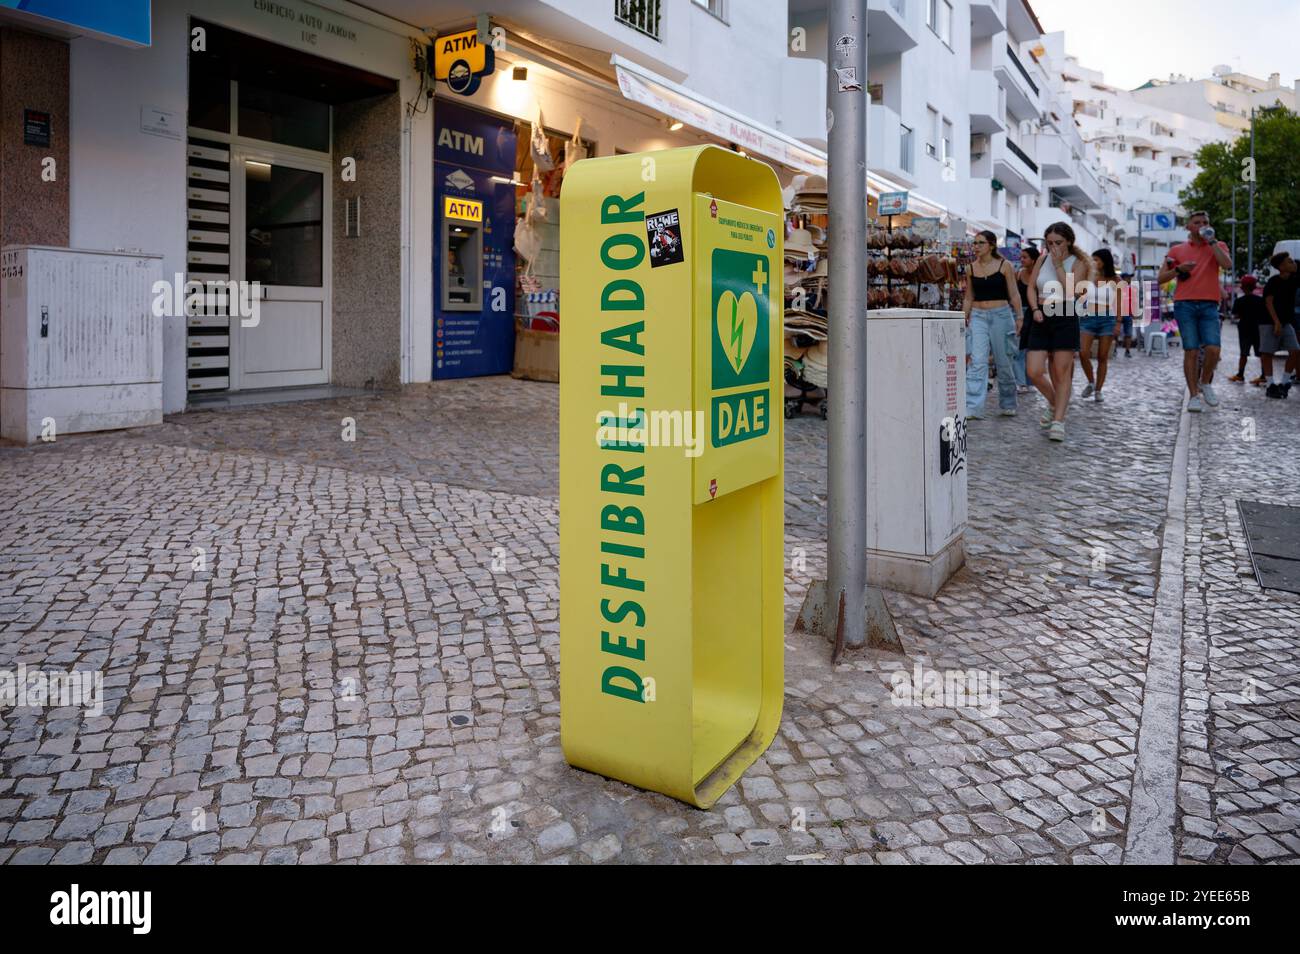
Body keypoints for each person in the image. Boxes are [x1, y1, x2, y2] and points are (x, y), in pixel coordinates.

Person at [1157, 211, 1232, 412]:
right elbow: (1161, 278)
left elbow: (1227, 265)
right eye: (1197, 222)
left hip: (1209, 305)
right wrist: (1179, 270)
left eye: (1205, 222)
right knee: (1190, 350)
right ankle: (1193, 396)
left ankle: (1205, 382)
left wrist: (1213, 242)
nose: (1201, 225)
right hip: (1185, 304)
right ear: (1189, 227)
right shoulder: (1177, 250)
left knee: (1213, 349)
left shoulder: (1218, 245)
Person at [1026, 222, 1091, 442]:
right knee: (1034, 370)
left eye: (1058, 242)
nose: (1053, 246)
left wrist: (1059, 265)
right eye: (1049, 242)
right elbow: (1031, 286)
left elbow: (1072, 290)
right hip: (1041, 315)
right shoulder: (1042, 259)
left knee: (1061, 372)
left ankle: (1059, 421)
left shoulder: (1078, 262)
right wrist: (1034, 308)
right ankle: (1055, 403)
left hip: (1065, 314)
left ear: (1069, 242)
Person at [963, 230, 1023, 418]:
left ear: (991, 245)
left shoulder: (1005, 266)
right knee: (977, 362)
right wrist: (964, 318)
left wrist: (1020, 317)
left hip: (1002, 316)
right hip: (978, 316)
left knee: (1004, 361)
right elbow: (969, 296)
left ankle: (1008, 402)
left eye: (980, 243)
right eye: (974, 243)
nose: (976, 247)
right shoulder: (970, 268)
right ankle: (972, 407)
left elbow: (1014, 294)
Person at [1079, 249, 1122, 402]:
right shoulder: (1088, 277)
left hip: (1108, 319)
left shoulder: (1115, 279)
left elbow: (1119, 302)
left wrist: (1118, 322)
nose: (1094, 262)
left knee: (1102, 356)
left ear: (1105, 261)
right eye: (1093, 259)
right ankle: (1091, 382)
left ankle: (1098, 390)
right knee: (1083, 353)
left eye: (1096, 259)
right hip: (1088, 317)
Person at [1261, 251, 1300, 391]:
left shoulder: (1294, 279)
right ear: (1281, 267)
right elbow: (1268, 302)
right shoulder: (1274, 281)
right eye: (1290, 262)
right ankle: (1270, 384)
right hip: (1268, 321)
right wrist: (1276, 322)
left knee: (1295, 350)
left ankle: (1284, 382)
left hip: (1286, 322)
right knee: (1267, 353)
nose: (1294, 263)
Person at [1227, 274, 1266, 383]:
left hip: (1244, 329)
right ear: (1254, 287)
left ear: (1242, 287)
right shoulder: (1260, 300)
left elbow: (1235, 315)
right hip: (1258, 329)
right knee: (1261, 353)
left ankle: (1240, 374)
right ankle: (1264, 375)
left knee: (1243, 353)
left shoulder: (1239, 301)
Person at [1014, 245, 1040, 392]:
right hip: (1020, 313)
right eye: (1021, 257)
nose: (1021, 260)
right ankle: (1021, 382)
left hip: (1035, 314)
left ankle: (1030, 382)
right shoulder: (1019, 274)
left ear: (1033, 260)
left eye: (1025, 257)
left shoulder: (1039, 276)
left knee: (1032, 349)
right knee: (1019, 349)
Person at [1118, 271, 1138, 357]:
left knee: (1128, 334)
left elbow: (1134, 301)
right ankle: (1114, 349)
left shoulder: (1132, 289)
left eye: (1130, 278)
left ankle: (1127, 351)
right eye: (1128, 277)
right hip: (1119, 313)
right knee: (1116, 332)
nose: (1129, 279)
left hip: (1128, 314)